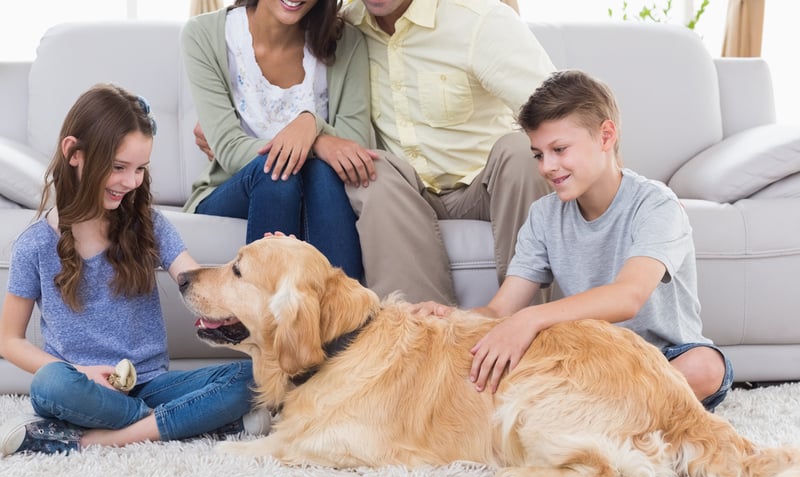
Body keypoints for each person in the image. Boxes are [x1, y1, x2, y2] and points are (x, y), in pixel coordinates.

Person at [415, 70, 733, 411]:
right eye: (538, 154)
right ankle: (619, 415)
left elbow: (629, 296)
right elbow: (498, 310)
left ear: (606, 136)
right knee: (499, 371)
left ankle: (604, 414)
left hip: (664, 358)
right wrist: (451, 318)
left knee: (706, 366)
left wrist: (531, 318)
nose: (547, 167)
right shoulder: (543, 216)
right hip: (591, 360)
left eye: (560, 149)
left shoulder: (656, 204)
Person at [0, 84, 269, 457]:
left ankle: (94, 439)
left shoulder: (149, 225)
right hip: (83, 389)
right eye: (118, 168)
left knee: (253, 380)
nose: (131, 182)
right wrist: (77, 371)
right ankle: (186, 420)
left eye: (140, 169)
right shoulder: (34, 245)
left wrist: (266, 260)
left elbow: (195, 280)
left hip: (152, 385)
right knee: (49, 385)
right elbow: (9, 340)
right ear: (74, 153)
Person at [338, 0, 557, 305]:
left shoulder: (480, 19)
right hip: (409, 195)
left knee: (523, 151)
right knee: (373, 169)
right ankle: (419, 339)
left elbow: (561, 117)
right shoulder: (346, 27)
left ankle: (533, 327)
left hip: (487, 187)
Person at [182, 0, 376, 280]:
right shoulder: (204, 35)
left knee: (320, 171)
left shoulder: (347, 41)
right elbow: (229, 149)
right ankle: (265, 320)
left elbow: (352, 149)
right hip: (230, 191)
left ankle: (342, 318)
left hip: (317, 193)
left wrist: (311, 124)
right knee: (276, 173)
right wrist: (317, 141)